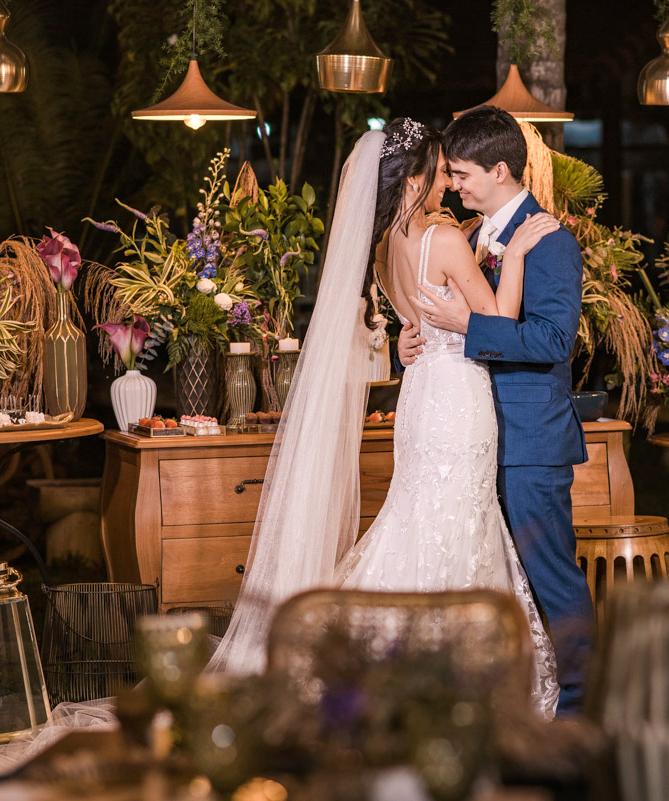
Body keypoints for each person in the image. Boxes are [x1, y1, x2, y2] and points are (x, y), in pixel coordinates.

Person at [210, 117, 563, 719]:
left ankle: (384, 666)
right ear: (414, 179)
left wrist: (410, 333)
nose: (447, 185)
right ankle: (449, 681)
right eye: (439, 173)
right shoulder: (445, 239)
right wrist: (521, 254)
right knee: (456, 521)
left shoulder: (380, 249)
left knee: (419, 515)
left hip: (421, 394)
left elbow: (407, 324)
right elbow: (499, 324)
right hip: (457, 396)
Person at [399, 105, 594, 716]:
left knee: (550, 579)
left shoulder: (549, 240)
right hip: (476, 435)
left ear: (500, 169)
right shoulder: (477, 236)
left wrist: (472, 325)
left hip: (530, 441)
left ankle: (582, 708)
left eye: (461, 174)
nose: (453, 186)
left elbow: (554, 341)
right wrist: (413, 341)